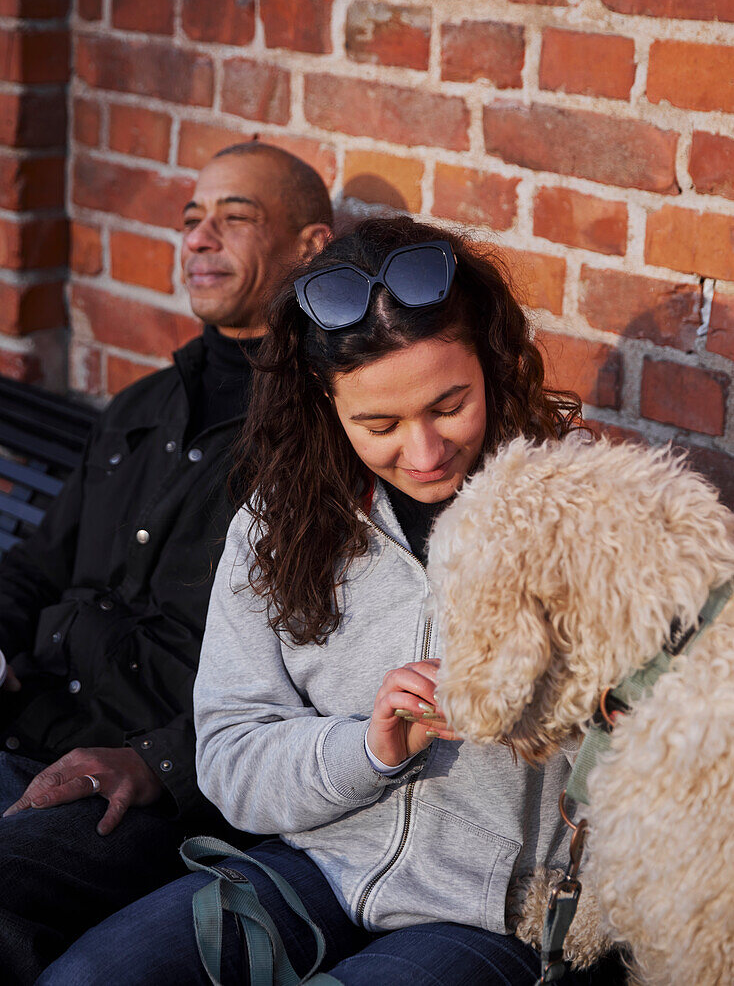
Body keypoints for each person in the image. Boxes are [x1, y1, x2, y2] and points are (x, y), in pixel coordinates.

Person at [42, 217, 619, 985]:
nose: (423, 452)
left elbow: (654, 733)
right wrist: (370, 748)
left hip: (486, 913)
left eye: (449, 406)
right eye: (377, 424)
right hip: (306, 869)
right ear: (324, 395)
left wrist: (546, 696)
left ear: (491, 357)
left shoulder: (587, 508)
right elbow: (228, 753)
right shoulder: (278, 521)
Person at [0, 142, 333, 982]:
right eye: (191, 219)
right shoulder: (142, 407)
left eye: (235, 217)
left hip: (147, 792)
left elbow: (323, 676)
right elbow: (37, 567)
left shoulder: (328, 434)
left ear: (311, 248)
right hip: (31, 725)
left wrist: (157, 763)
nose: (200, 238)